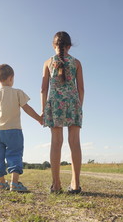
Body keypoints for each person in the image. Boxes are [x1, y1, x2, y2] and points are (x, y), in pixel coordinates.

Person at [0, 64, 42, 192]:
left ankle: (1, 182)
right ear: (11, 78)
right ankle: (14, 183)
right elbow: (27, 109)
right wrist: (39, 118)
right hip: (14, 130)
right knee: (15, 155)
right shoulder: (17, 93)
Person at [41, 31, 84, 194]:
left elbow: (43, 88)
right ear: (69, 46)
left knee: (56, 143)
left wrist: (43, 109)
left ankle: (56, 185)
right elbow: (81, 88)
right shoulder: (77, 63)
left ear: (54, 45)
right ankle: (75, 184)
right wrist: (79, 106)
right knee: (75, 143)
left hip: (55, 103)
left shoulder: (47, 62)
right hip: (73, 103)